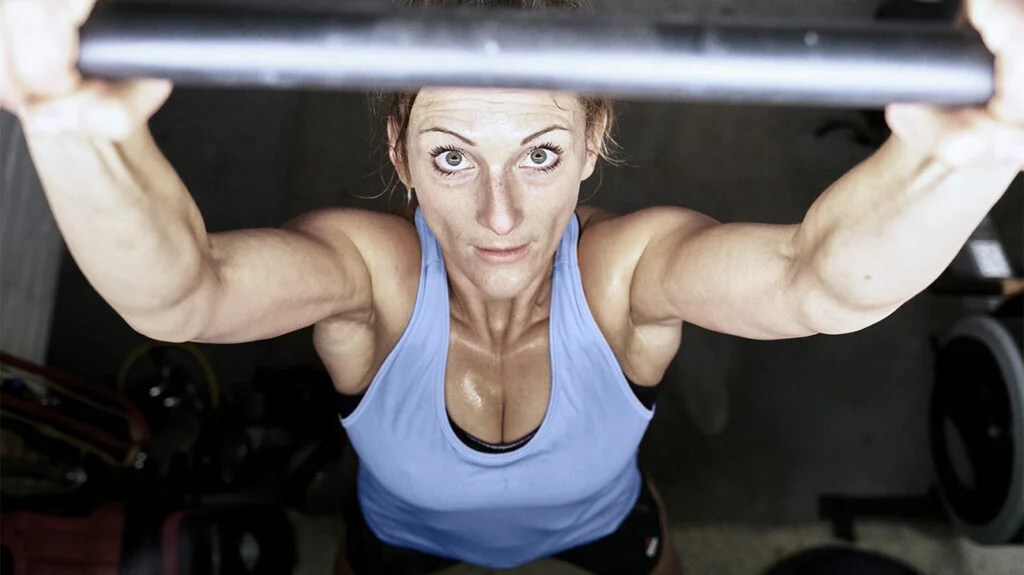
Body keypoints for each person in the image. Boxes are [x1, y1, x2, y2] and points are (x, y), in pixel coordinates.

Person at [1, 0, 1021, 573]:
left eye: (537, 154)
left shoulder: (625, 276)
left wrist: (977, 148)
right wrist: (69, 118)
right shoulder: (374, 279)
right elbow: (183, 295)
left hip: (610, 535)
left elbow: (816, 284)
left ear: (592, 146)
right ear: (398, 153)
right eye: (452, 158)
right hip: (395, 544)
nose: (498, 214)